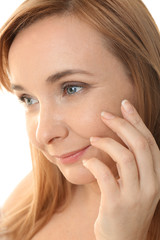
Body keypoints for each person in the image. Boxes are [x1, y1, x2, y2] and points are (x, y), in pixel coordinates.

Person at [0, 0, 160, 239]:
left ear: (142, 78)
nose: (43, 134)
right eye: (28, 99)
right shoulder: (35, 197)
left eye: (72, 88)